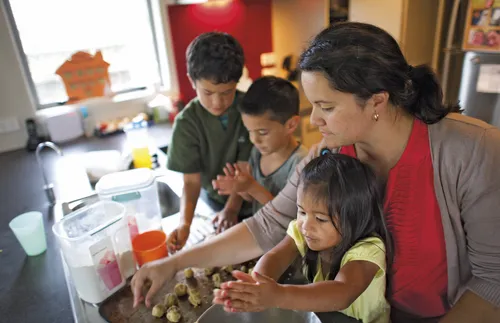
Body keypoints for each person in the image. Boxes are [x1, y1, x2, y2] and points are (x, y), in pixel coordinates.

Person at [131, 22, 500, 323]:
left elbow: (491, 282)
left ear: (377, 101)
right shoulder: (330, 154)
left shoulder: (471, 151)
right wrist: (174, 263)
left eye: (325, 106)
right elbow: (270, 225)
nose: (313, 120)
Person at [214, 153, 392, 323]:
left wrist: (278, 295)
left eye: (321, 219)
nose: (306, 225)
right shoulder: (303, 231)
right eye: (301, 211)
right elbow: (275, 257)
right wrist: (256, 284)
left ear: (354, 218)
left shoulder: (369, 249)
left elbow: (342, 293)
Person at [166, 32, 253, 250]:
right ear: (191, 81)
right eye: (208, 92)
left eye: (226, 92)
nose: (217, 102)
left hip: (254, 199)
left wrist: (232, 209)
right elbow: (191, 182)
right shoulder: (187, 124)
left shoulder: (249, 110)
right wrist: (185, 224)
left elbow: (245, 169)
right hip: (216, 201)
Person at [212, 76, 308, 215]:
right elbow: (254, 199)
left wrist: (252, 186)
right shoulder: (258, 152)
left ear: (291, 125)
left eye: (262, 132)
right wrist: (241, 188)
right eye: (249, 131)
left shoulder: (301, 163)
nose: (254, 139)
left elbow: (289, 216)